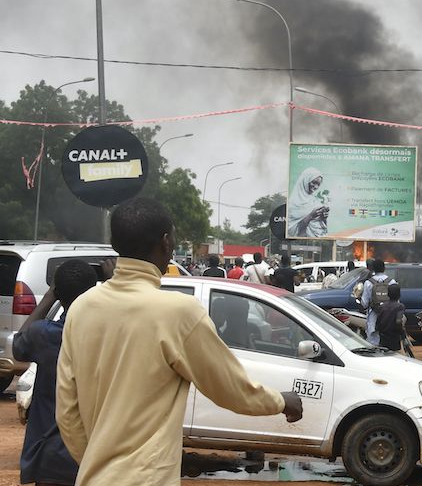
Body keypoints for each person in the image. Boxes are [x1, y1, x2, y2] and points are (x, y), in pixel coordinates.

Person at [55, 198, 302, 485]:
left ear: (115, 242)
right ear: (166, 243)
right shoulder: (178, 313)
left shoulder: (82, 308)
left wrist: (98, 467)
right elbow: (230, 389)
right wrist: (281, 401)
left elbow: (67, 411)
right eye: (172, 238)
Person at [12, 260, 99, 486]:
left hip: (49, 452)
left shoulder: (44, 334)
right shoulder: (105, 336)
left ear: (58, 292)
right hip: (94, 453)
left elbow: (19, 345)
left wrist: (51, 295)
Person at [361, 259, 397, 346]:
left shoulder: (368, 283)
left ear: (373, 269)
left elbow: (364, 303)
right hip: (389, 317)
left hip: (374, 316)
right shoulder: (392, 282)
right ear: (384, 268)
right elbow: (397, 302)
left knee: (373, 344)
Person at [287, 167, 329, 238]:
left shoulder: (316, 201)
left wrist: (323, 218)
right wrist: (311, 216)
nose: (315, 187)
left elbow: (323, 228)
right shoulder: (292, 204)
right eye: (314, 182)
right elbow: (291, 231)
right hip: (302, 242)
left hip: (319, 240)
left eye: (318, 184)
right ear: (305, 180)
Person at [373, 284, 406, 352]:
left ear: (388, 294)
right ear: (399, 295)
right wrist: (402, 333)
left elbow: (378, 323)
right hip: (394, 338)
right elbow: (398, 321)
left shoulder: (382, 306)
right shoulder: (400, 306)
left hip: (383, 338)